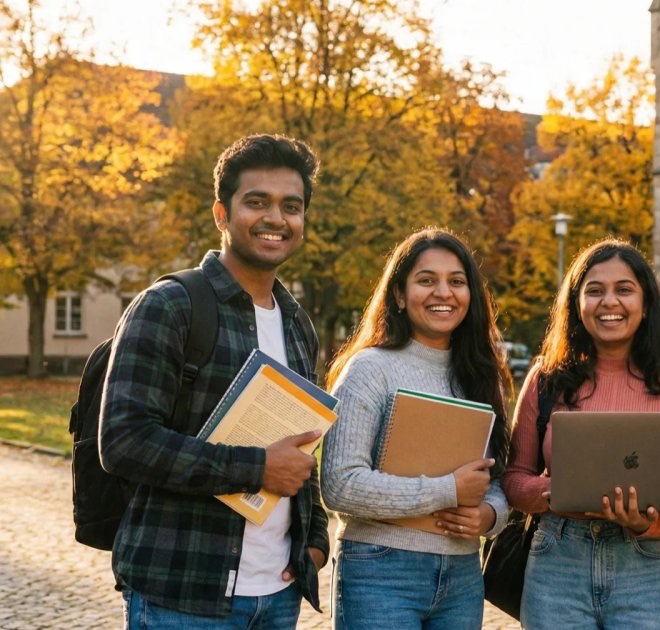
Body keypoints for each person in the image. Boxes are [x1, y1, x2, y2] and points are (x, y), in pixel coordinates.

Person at [99, 134, 328, 627]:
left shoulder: (298, 325)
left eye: (292, 206)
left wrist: (315, 544)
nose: (276, 218)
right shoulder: (170, 305)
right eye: (257, 202)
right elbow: (123, 441)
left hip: (279, 594)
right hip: (183, 592)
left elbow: (302, 449)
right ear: (222, 214)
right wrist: (255, 469)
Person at [501, 239, 660, 629]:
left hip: (647, 563)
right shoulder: (546, 379)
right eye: (594, 291)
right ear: (577, 306)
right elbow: (513, 478)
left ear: (646, 306)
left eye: (624, 290)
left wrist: (647, 524)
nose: (609, 301)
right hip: (558, 559)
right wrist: (552, 492)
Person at [320, 228, 511, 628]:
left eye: (456, 282)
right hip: (381, 570)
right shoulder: (371, 369)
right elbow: (339, 484)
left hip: (461, 575)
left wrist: (490, 515)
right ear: (399, 296)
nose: (444, 292)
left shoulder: (479, 376)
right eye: (427, 280)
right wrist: (448, 490)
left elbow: (494, 478)